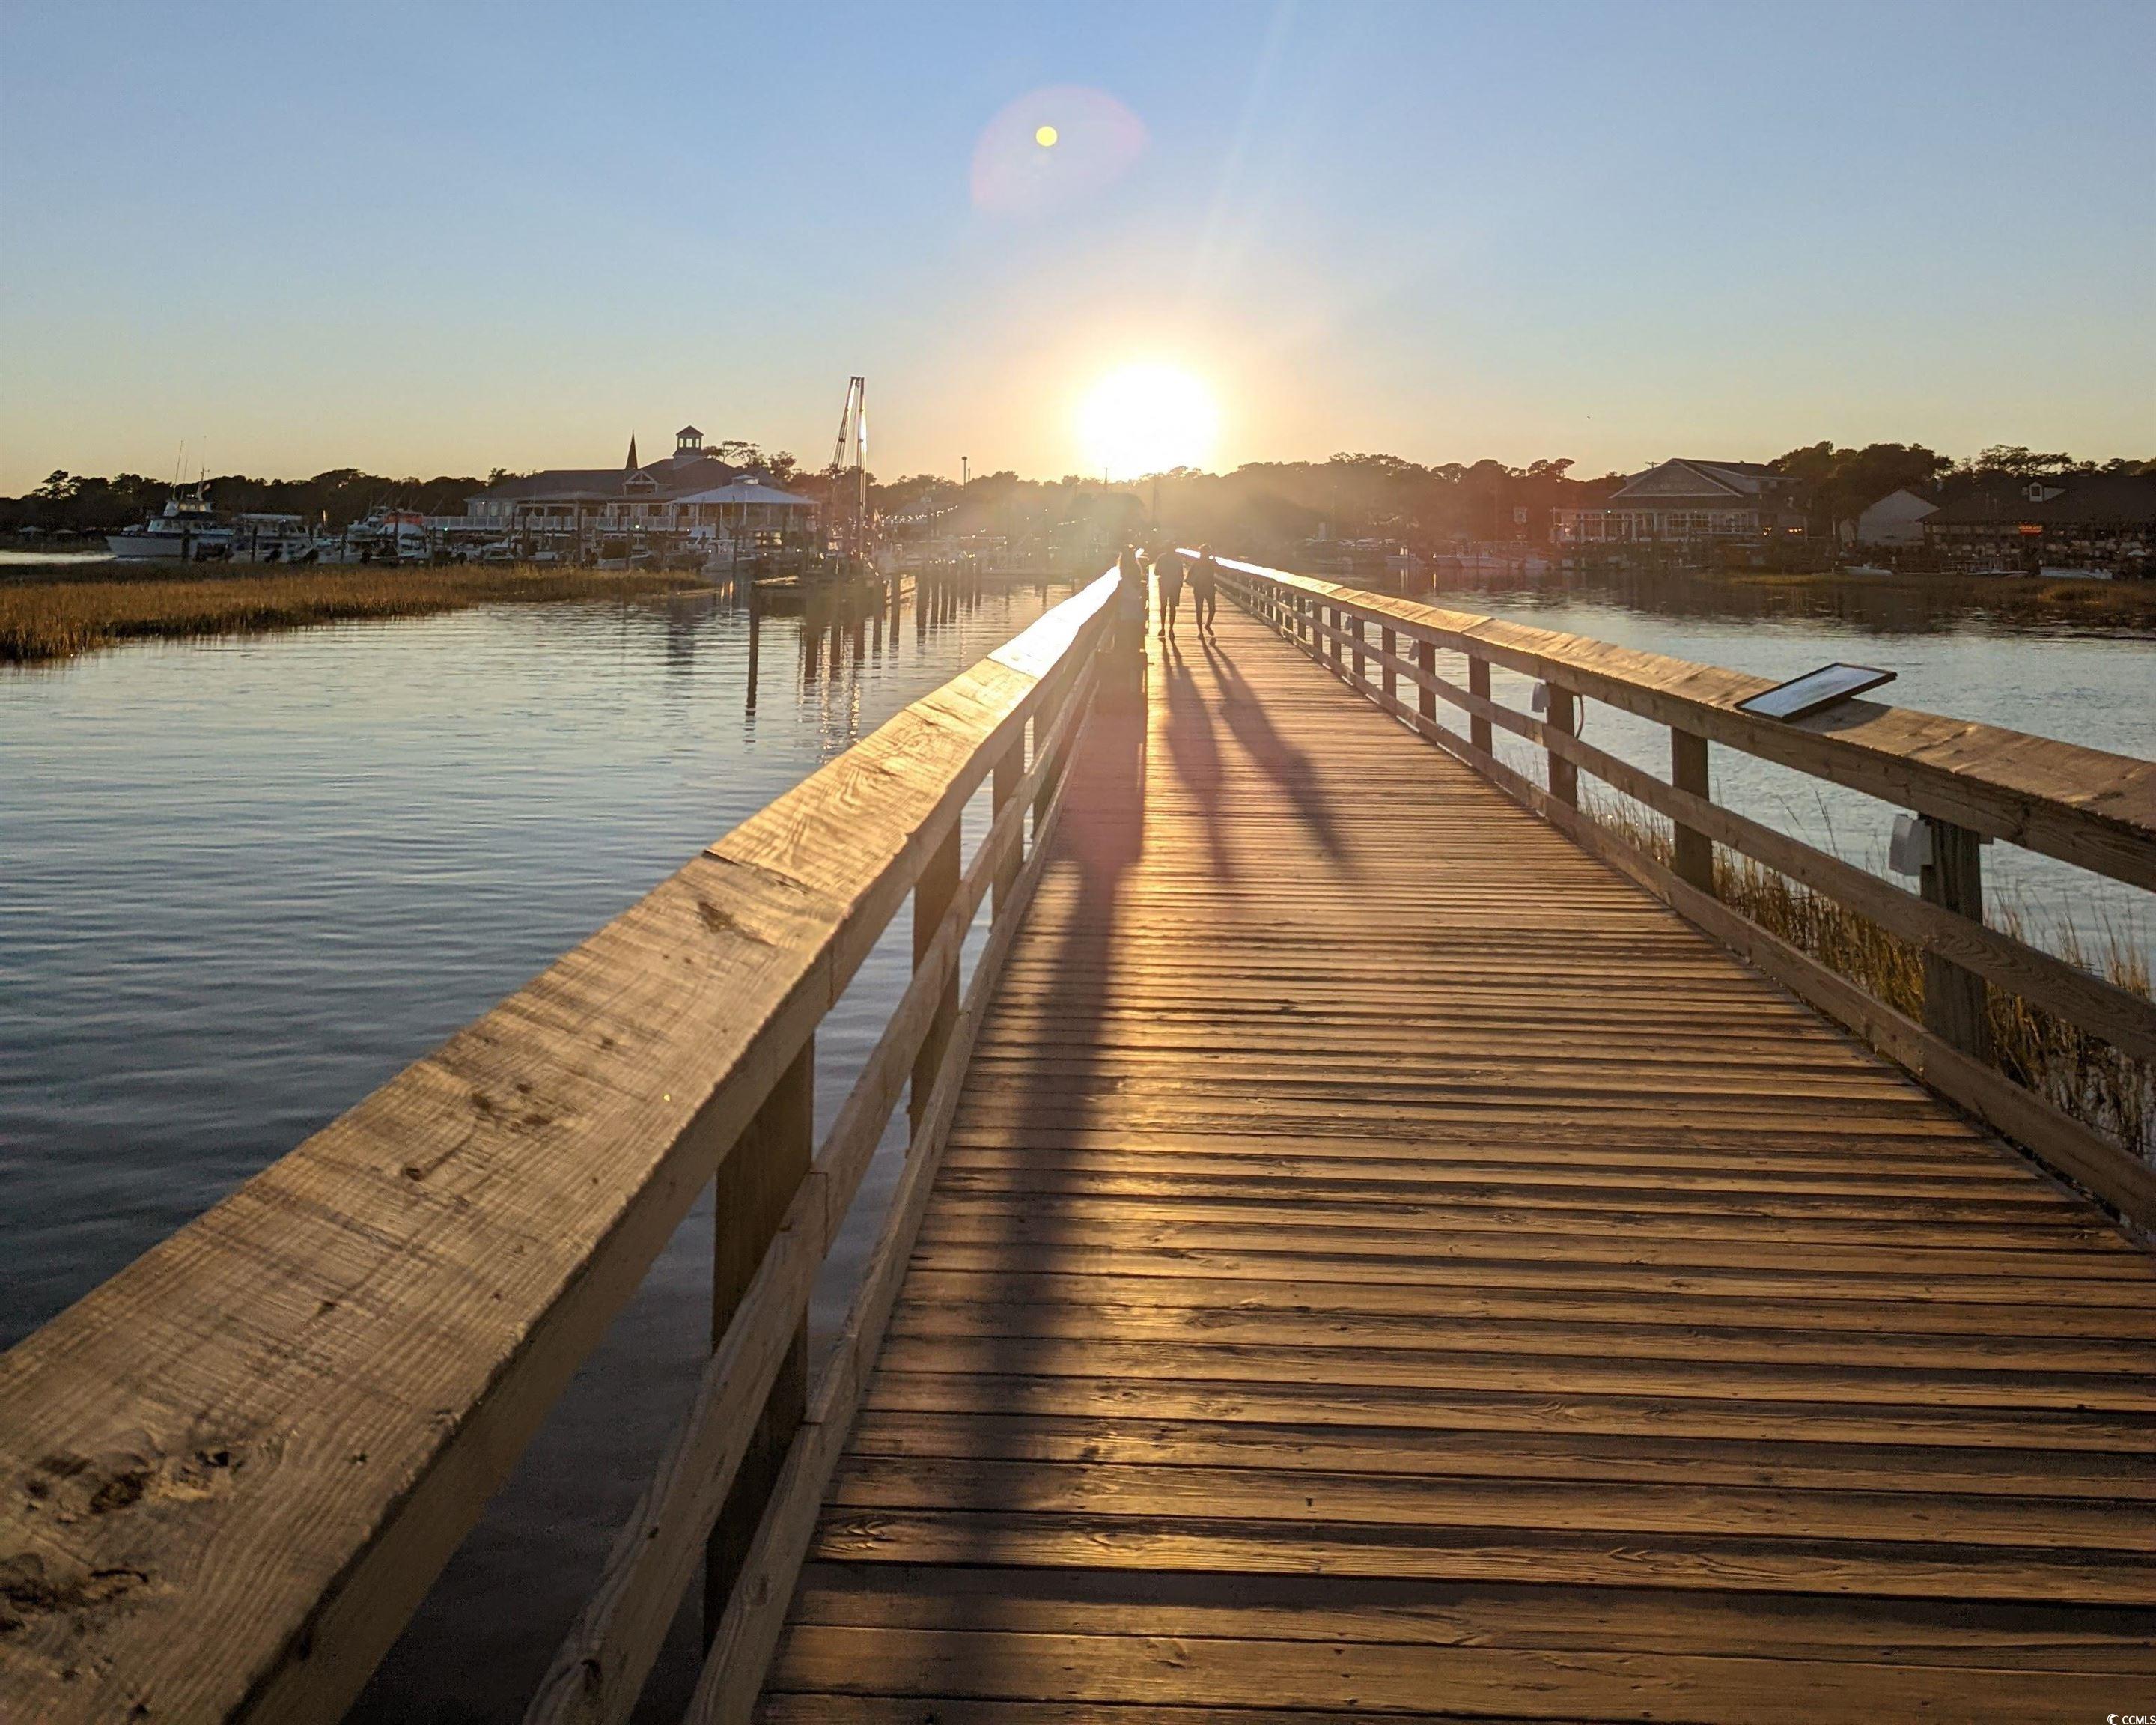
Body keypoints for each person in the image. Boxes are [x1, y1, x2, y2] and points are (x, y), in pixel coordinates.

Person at [1154, 546, 1185, 639]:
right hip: (1175, 585)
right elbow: (1181, 573)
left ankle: (1163, 628)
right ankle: (1171, 629)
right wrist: (1180, 583)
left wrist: (1163, 572)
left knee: (1163, 607)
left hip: (1164, 584)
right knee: (1172, 608)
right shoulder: (1177, 559)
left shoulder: (1161, 558)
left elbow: (1156, 572)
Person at [1189, 543, 1220, 634]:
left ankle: (1207, 625)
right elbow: (1190, 574)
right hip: (1200, 588)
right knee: (1199, 610)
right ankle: (1200, 631)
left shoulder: (1211, 562)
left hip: (1208, 588)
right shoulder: (1197, 562)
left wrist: (1214, 558)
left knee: (1212, 610)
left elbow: (1219, 570)